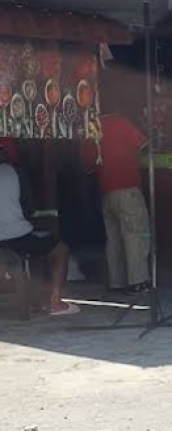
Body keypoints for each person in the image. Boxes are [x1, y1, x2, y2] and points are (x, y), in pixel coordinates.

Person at [0, 141, 79, 315]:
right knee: (60, 250)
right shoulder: (15, 172)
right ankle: (55, 302)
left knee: (35, 247)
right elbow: (29, 208)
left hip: (8, 240)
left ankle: (35, 301)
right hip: (17, 237)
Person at [82, 113, 150, 293]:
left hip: (106, 192)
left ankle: (116, 282)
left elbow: (89, 166)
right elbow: (143, 146)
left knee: (113, 240)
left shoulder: (92, 128)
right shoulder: (121, 122)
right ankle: (137, 282)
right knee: (134, 235)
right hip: (127, 189)